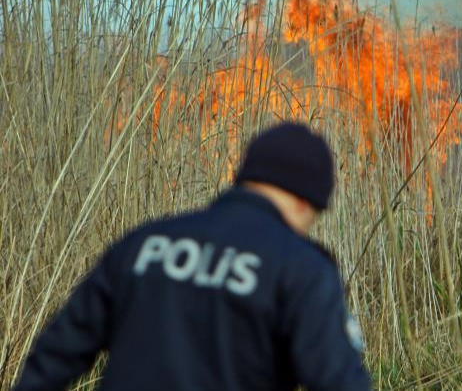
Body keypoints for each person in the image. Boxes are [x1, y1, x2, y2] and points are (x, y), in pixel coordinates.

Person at [15, 122, 370, 391]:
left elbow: (56, 355)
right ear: (305, 201)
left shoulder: (145, 243)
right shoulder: (300, 268)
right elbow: (339, 379)